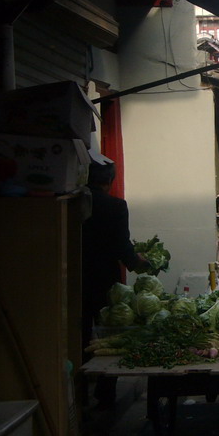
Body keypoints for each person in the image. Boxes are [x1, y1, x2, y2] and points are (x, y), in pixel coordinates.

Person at [81, 159, 148, 406]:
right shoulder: (116, 206)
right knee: (111, 334)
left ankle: (77, 392)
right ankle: (105, 391)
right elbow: (122, 245)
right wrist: (137, 261)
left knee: (79, 334)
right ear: (110, 181)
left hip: (74, 278)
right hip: (105, 280)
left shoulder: (73, 202)